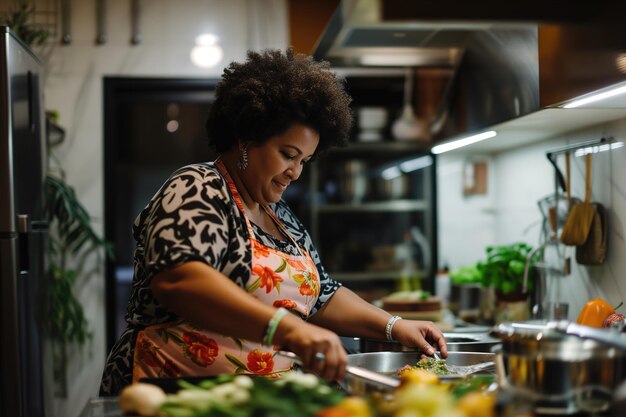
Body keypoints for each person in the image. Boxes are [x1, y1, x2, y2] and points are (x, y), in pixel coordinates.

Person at [100, 49, 448, 396]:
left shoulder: (281, 218)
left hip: (259, 399)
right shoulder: (198, 188)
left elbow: (323, 295)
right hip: (173, 394)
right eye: (288, 154)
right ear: (245, 138)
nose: (295, 172)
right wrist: (288, 330)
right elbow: (180, 279)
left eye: (305, 161)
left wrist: (394, 325)